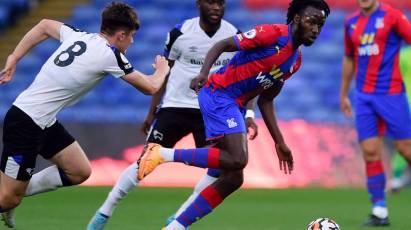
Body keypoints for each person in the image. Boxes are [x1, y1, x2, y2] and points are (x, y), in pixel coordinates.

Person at [137, 0, 330, 229]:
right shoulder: (271, 34)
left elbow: (267, 100)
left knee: (233, 177)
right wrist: (203, 73)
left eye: (320, 24)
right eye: (311, 21)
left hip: (234, 103)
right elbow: (222, 45)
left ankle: (175, 227)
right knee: (238, 159)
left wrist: (280, 142)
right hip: (219, 93)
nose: (315, 30)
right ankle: (161, 153)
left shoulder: (294, 61)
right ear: (297, 18)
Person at [87, 1, 258, 229]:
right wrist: (152, 112)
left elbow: (246, 76)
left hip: (211, 110)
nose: (216, 7)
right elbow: (164, 73)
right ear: (199, 4)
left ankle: (178, 218)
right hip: (175, 106)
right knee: (145, 161)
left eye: (220, 2)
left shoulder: (233, 35)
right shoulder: (180, 33)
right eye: (210, 1)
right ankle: (104, 213)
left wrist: (248, 112)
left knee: (219, 169)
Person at [0, 2, 170, 228]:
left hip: (43, 120)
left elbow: (43, 25)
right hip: (26, 122)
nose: (132, 41)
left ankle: (12, 196)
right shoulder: (110, 55)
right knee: (7, 197)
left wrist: (14, 57)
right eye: (131, 36)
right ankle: (9, 198)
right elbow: (151, 87)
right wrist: (163, 70)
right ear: (120, 35)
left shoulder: (77, 35)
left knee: (79, 171)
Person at [340, 0, 411, 226]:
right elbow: (349, 58)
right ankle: (379, 210)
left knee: (406, 149)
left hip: (391, 94)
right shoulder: (350, 23)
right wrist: (343, 94)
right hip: (363, 98)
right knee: (370, 152)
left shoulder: (393, 16)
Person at [390, 46, 411, 192]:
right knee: (404, 144)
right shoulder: (402, 55)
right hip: (405, 104)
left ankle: (398, 178)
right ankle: (398, 178)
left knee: (403, 143)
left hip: (403, 103)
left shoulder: (402, 54)